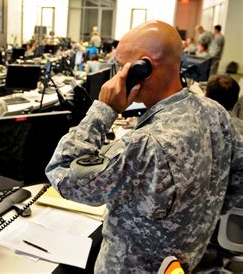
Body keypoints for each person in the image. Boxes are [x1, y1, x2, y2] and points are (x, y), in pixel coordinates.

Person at [45, 21, 242, 272]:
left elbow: (62, 174)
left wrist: (103, 110)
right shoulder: (215, 113)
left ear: (143, 69)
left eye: (118, 66)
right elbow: (238, 177)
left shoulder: (146, 145)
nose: (115, 74)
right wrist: (200, 214)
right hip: (184, 264)